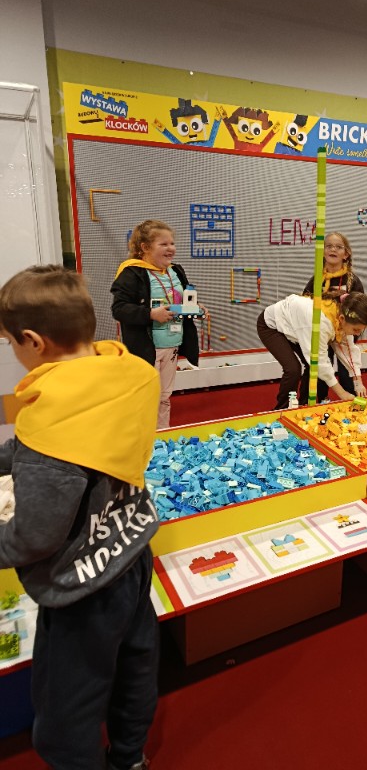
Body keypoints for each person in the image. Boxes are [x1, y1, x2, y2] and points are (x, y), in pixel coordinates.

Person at [0, 265, 161, 770]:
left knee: (67, 707)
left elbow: (32, 538)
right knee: (135, 668)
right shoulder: (123, 377)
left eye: (11, 343)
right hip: (131, 554)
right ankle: (130, 758)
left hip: (81, 588)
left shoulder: (53, 424)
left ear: (33, 341)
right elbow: (43, 445)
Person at [111, 219, 201, 429]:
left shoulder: (176, 270)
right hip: (146, 347)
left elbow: (183, 298)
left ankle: (162, 435)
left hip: (172, 343)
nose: (171, 248)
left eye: (172, 243)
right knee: (145, 396)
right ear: (145, 248)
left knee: (164, 395)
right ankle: (141, 437)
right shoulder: (132, 272)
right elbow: (119, 309)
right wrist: (150, 314)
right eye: (164, 244)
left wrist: (195, 307)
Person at [257, 291, 367, 410]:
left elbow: (348, 350)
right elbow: (319, 361)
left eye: (361, 330)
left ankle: (304, 405)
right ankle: (281, 409)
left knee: (311, 368)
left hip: (296, 327)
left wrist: (358, 383)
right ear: (342, 318)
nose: (357, 334)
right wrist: (343, 394)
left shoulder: (341, 317)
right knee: (293, 369)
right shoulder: (321, 322)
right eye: (356, 330)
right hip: (271, 326)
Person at [303, 232, 365, 401]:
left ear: (346, 254)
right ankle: (318, 400)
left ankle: (351, 400)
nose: (333, 249)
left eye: (338, 247)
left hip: (344, 333)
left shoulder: (353, 281)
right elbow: (305, 303)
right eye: (329, 246)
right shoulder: (317, 279)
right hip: (322, 332)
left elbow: (360, 309)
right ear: (323, 252)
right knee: (321, 367)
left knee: (346, 370)